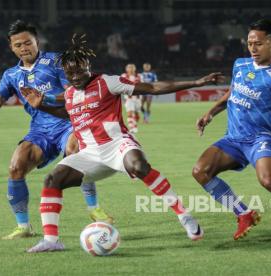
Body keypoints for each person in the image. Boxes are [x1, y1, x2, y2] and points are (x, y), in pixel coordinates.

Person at [22, 34, 224, 253]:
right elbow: (69, 114)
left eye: (80, 71)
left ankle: (185, 216)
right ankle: (52, 241)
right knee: (52, 178)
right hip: (89, 154)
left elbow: (152, 88)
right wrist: (41, 106)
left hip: (118, 145)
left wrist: (196, 82)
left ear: (89, 66)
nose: (76, 77)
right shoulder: (70, 94)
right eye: (70, 73)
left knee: (139, 166)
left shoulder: (108, 82)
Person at [0, 21, 112, 240]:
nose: (24, 48)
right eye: (18, 45)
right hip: (40, 130)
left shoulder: (55, 61)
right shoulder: (11, 75)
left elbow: (74, 91)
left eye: (27, 43)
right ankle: (24, 226)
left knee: (75, 153)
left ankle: (93, 208)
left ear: (37, 42)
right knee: (16, 166)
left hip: (70, 122)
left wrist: (46, 98)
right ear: (11, 48)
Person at [192, 19, 271, 244]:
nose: (252, 48)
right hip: (233, 139)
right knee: (200, 171)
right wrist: (210, 113)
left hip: (260, 139)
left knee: (269, 181)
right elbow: (232, 93)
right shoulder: (240, 65)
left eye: (258, 43)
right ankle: (244, 213)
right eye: (249, 43)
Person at [121, 64, 141, 133]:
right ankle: (132, 128)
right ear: (126, 69)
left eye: (132, 68)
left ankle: (134, 125)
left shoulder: (139, 76)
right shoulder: (124, 76)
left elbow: (143, 85)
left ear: (134, 69)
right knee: (129, 113)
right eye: (129, 68)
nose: (131, 69)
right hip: (128, 98)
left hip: (137, 98)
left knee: (137, 115)